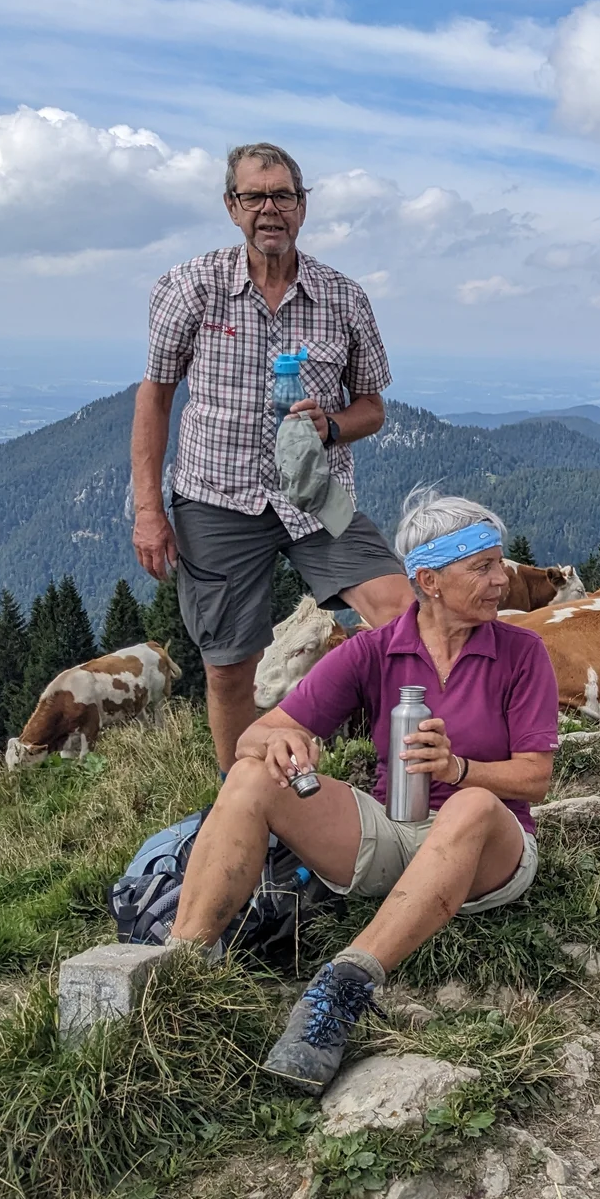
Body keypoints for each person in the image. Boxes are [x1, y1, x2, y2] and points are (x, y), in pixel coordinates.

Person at [168, 490, 560, 1092]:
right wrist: (276, 744)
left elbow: (535, 776)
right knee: (252, 776)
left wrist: (460, 770)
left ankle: (344, 986)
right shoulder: (372, 651)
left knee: (475, 804)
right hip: (393, 829)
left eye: (499, 563)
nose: (502, 580)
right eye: (481, 567)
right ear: (428, 580)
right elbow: (260, 733)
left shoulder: (521, 651)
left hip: (488, 850)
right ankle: (182, 963)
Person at [131, 142, 413, 773]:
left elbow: (372, 405)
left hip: (316, 497)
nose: (269, 209)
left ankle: (404, 765)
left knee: (402, 614)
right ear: (232, 207)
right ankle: (244, 799)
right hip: (216, 499)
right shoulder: (189, 288)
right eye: (254, 196)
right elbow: (154, 399)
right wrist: (149, 510)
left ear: (302, 207)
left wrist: (333, 426)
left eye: (282, 195)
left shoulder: (343, 297)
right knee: (231, 665)